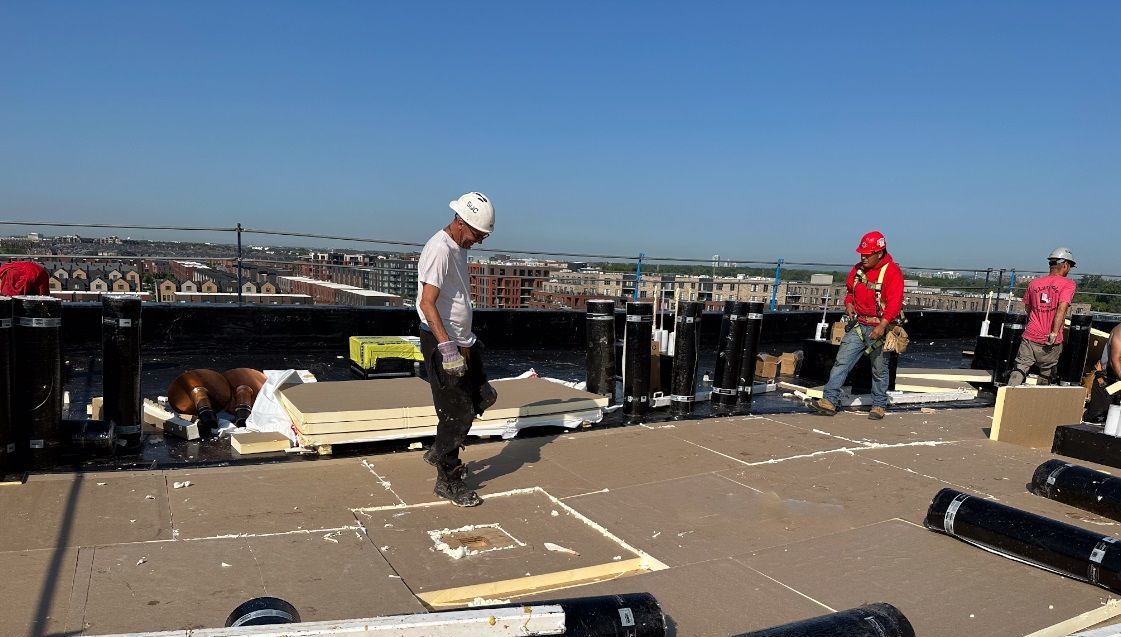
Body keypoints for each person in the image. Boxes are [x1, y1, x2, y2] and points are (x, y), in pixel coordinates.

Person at [417, 192, 498, 507]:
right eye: (477, 234)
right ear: (461, 222)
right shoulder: (439, 249)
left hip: (464, 340)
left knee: (483, 396)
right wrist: (448, 349)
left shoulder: (457, 245)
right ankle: (447, 480)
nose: (478, 241)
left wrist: (463, 343)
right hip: (444, 343)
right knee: (457, 412)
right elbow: (427, 303)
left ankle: (440, 447)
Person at [812, 231, 904, 420]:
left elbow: (894, 303)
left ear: (879, 253)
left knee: (879, 369)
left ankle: (878, 405)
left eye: (867, 254)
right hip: (859, 324)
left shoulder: (892, 272)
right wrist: (849, 304)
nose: (863, 257)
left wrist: (882, 326)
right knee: (841, 363)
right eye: (862, 253)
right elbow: (849, 292)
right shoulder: (858, 270)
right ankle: (829, 400)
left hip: (879, 327)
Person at [1007, 248, 1077, 386]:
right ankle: (1039, 404)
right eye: (1070, 266)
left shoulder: (1034, 283)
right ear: (1065, 265)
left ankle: (1008, 397)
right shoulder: (1068, 284)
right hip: (1050, 339)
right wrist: (1054, 332)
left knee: (1020, 367)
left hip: (1030, 335)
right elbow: (1062, 309)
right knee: (1047, 371)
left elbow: (1028, 308)